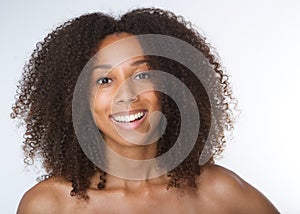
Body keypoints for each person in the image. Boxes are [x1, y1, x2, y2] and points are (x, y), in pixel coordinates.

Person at [12, 7, 279, 213]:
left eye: (141, 76)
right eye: (104, 81)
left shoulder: (220, 192)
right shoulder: (48, 205)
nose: (127, 95)